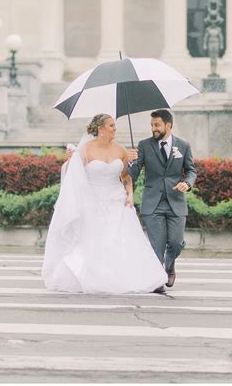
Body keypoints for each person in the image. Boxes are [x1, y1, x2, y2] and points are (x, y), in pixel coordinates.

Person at [41, 113, 168, 294]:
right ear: (100, 128)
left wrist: (130, 195)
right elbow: (73, 175)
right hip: (92, 202)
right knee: (96, 242)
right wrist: (72, 160)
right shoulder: (85, 150)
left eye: (114, 126)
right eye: (111, 126)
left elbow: (126, 177)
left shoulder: (121, 150)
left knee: (124, 241)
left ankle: (136, 278)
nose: (114, 129)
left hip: (118, 200)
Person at [127, 109, 197, 292]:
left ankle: (169, 265)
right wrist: (130, 162)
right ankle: (157, 281)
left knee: (176, 242)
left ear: (168, 125)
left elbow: (191, 170)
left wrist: (187, 184)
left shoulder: (183, 145)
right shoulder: (144, 145)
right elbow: (132, 176)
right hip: (153, 203)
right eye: (151, 125)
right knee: (157, 245)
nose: (153, 129)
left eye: (157, 125)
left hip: (176, 202)